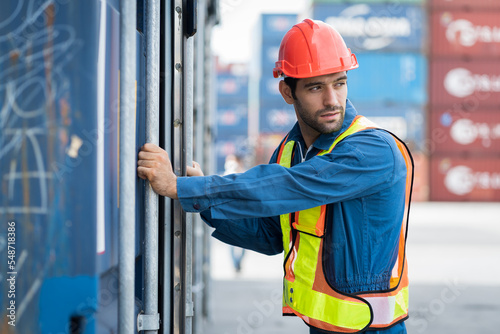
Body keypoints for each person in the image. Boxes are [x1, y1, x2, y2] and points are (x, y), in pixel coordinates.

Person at [137, 19, 413, 334]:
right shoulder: (291, 150)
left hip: (373, 329)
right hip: (323, 327)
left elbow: (288, 185)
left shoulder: (373, 150)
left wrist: (184, 188)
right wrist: (203, 202)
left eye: (339, 82)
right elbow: (271, 235)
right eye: (315, 87)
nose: (332, 100)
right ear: (287, 91)